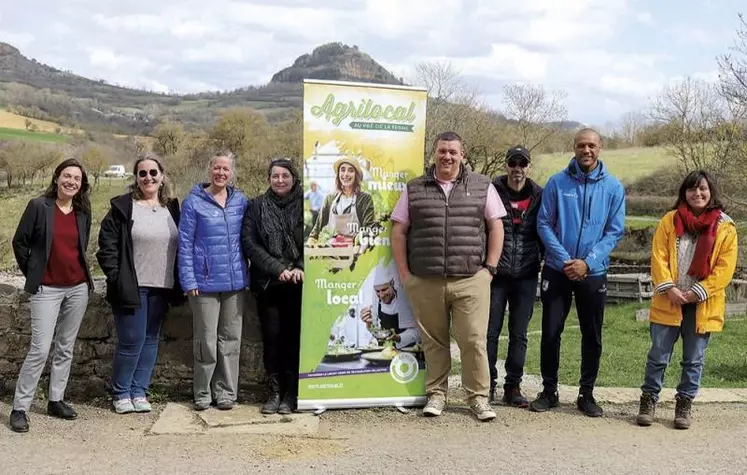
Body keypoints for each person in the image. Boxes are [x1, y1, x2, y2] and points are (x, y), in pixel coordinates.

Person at [391, 131, 506, 422]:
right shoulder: (415, 188)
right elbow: (399, 230)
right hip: (426, 279)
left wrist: (489, 269)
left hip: (471, 279)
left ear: (462, 155)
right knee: (434, 341)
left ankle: (478, 398)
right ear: (434, 153)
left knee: (473, 340)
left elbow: (496, 226)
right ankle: (437, 394)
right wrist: (405, 274)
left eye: (453, 152)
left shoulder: (482, 186)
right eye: (442, 151)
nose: (447, 156)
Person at [531, 128, 625, 417]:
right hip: (558, 271)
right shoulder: (557, 183)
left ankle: (587, 393)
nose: (587, 150)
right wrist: (565, 260)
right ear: (574, 148)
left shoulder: (613, 187)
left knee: (592, 334)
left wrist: (588, 262)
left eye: (592, 145)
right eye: (582, 145)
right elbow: (544, 224)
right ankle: (549, 390)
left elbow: (614, 230)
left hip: (593, 272)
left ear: (600, 148)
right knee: (550, 332)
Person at [636, 171, 737, 430]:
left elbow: (725, 269)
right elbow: (658, 257)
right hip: (669, 298)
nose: (698, 194)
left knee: (693, 358)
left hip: (702, 303)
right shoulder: (669, 221)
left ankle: (684, 403)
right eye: (692, 189)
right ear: (684, 193)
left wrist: (699, 291)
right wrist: (669, 288)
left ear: (711, 191)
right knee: (658, 354)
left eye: (702, 189)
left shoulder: (726, 226)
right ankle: (648, 399)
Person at [9, 158, 94, 433]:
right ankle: (20, 407)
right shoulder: (38, 206)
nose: (71, 182)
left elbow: (81, 245)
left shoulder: (83, 210)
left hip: (77, 287)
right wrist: (34, 271)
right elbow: (19, 242)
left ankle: (56, 399)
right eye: (67, 176)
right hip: (46, 289)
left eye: (77, 179)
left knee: (65, 346)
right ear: (57, 178)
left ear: (81, 186)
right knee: (40, 348)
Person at [97, 152, 182, 414]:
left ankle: (139, 391)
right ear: (136, 178)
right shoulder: (123, 208)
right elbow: (107, 246)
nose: (148, 177)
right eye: (142, 173)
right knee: (131, 340)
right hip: (132, 286)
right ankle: (121, 392)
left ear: (162, 177)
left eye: (153, 173)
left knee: (150, 340)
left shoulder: (173, 209)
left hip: (162, 286)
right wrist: (116, 276)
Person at [179, 151, 249, 412]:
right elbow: (185, 244)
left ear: (232, 173)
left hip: (235, 283)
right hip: (204, 283)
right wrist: (188, 279)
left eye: (226, 169)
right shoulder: (193, 202)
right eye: (217, 168)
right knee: (206, 340)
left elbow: (248, 238)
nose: (221, 173)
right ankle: (202, 392)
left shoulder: (240, 201)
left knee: (230, 341)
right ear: (209, 170)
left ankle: (226, 392)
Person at [242, 158, 304, 415]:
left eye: (285, 176)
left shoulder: (306, 205)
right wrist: (279, 269)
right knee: (272, 339)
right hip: (268, 283)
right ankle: (274, 392)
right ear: (268, 179)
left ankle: (291, 394)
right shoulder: (256, 206)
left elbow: (315, 235)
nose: (280, 180)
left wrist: (299, 266)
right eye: (275, 176)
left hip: (299, 284)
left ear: (294, 178)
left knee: (293, 340)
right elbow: (249, 242)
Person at [487, 146, 543, 408]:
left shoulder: (540, 196)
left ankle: (513, 386)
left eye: (523, 163)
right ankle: (486, 384)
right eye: (513, 163)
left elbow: (547, 228)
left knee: (519, 333)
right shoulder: (491, 191)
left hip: (526, 274)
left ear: (529, 167)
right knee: (489, 332)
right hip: (496, 274)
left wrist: (541, 259)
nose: (517, 168)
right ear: (506, 165)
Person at [307, 157, 375, 244]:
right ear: (338, 174)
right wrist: (311, 241)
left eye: (350, 170)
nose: (346, 174)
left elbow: (369, 228)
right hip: (331, 251)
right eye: (342, 170)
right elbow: (317, 228)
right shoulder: (330, 198)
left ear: (356, 175)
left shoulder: (365, 198)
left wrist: (356, 240)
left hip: (356, 253)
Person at [360, 266, 420, 349]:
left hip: (407, 353)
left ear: (392, 283)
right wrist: (369, 324)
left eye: (384, 289)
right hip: (384, 353)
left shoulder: (404, 299)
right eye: (377, 291)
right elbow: (376, 331)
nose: (381, 295)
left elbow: (418, 332)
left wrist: (398, 338)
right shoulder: (376, 303)